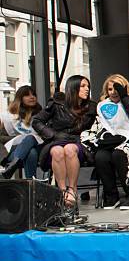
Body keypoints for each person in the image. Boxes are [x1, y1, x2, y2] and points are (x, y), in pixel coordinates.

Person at [81, 74, 129, 209]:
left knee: (119, 154)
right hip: (111, 140)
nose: (114, 92)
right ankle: (111, 196)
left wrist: (125, 97)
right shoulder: (103, 105)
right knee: (100, 157)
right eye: (110, 89)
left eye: (117, 88)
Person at [32, 75, 97, 209]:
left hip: (79, 142)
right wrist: (52, 135)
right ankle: (61, 192)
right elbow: (36, 121)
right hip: (57, 140)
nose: (87, 89)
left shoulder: (92, 106)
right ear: (73, 88)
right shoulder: (57, 103)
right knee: (57, 151)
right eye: (83, 86)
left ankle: (72, 190)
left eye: (88, 86)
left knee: (69, 149)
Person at [0, 85, 43, 179]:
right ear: (20, 98)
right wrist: (19, 139)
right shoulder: (9, 117)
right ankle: (31, 183)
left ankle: (11, 168)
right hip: (14, 151)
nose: (32, 97)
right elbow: (1, 138)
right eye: (27, 95)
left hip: (39, 148)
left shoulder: (42, 114)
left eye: (34, 95)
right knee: (31, 151)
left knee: (31, 138)